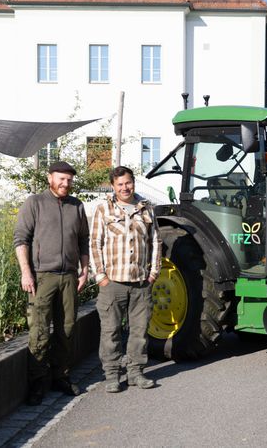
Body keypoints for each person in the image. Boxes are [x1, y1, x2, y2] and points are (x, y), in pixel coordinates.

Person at [14, 161, 90, 406]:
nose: (65, 183)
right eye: (61, 178)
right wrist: (26, 273)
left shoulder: (76, 206)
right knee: (39, 330)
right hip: (42, 276)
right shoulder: (34, 203)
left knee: (67, 329)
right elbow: (21, 240)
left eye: (69, 180)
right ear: (50, 178)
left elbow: (83, 241)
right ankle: (37, 382)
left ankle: (61, 376)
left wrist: (84, 271)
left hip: (69, 276)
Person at [90, 166, 162, 393]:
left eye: (128, 183)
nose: (125, 187)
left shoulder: (146, 209)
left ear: (133, 183)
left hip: (141, 282)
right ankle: (112, 375)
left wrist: (153, 273)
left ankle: (136, 372)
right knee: (110, 331)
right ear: (113, 186)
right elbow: (95, 244)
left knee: (139, 331)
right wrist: (100, 276)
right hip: (113, 283)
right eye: (120, 184)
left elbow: (156, 243)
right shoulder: (103, 209)